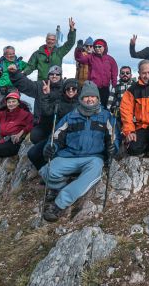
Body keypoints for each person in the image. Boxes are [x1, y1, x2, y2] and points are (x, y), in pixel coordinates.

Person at [41, 81, 119, 222]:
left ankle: (59, 204)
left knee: (95, 170)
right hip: (70, 156)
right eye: (86, 97)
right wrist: (51, 146)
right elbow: (56, 137)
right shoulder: (71, 116)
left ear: (97, 99)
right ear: (81, 99)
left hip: (93, 158)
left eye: (93, 97)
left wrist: (114, 148)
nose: (89, 99)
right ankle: (61, 185)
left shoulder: (106, 116)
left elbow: (113, 138)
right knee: (48, 171)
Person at [26, 77, 80, 171]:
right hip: (56, 137)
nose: (71, 91)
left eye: (73, 89)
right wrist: (46, 95)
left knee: (56, 156)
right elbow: (46, 111)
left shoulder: (81, 105)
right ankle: (44, 172)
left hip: (72, 139)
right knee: (32, 154)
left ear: (77, 90)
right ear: (64, 90)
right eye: (68, 89)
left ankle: (54, 174)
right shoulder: (59, 103)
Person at [75, 38, 118, 102]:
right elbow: (79, 58)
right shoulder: (90, 57)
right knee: (93, 104)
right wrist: (78, 49)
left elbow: (114, 72)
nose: (97, 48)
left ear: (104, 47)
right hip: (93, 87)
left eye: (99, 46)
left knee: (104, 105)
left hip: (105, 88)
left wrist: (114, 85)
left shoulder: (110, 59)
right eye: (95, 47)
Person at [0, 46, 27, 110]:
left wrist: (24, 74)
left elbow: (31, 67)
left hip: (14, 89)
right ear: (4, 55)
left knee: (14, 110)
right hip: (0, 91)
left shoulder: (20, 63)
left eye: (13, 53)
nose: (12, 56)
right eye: (10, 54)